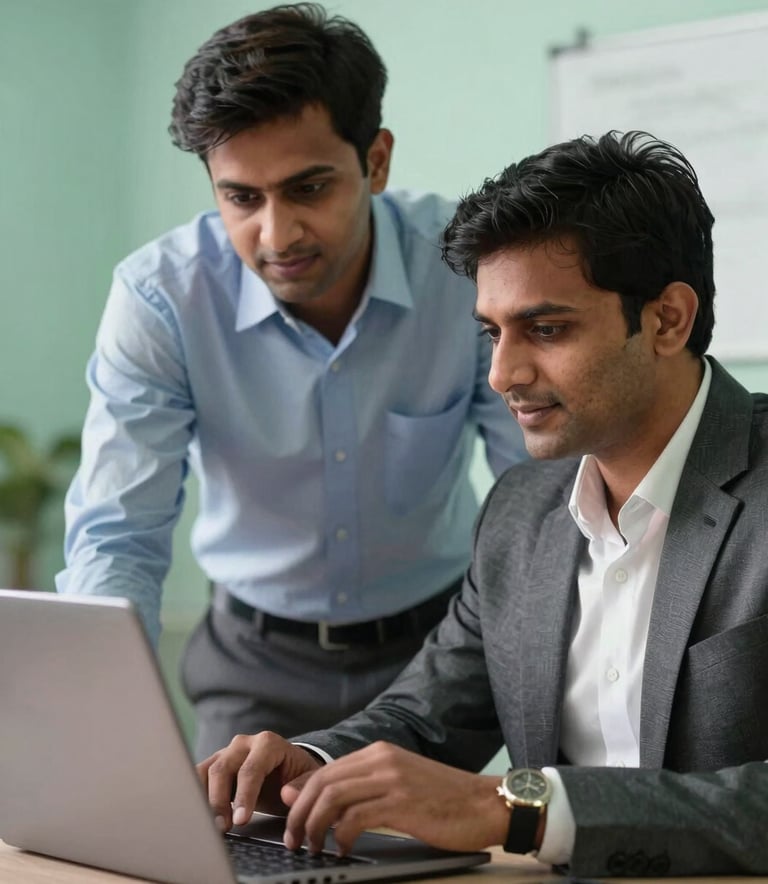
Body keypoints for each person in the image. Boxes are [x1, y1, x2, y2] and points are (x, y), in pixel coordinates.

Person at [198, 130, 768, 877]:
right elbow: (428, 718)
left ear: (667, 320)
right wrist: (309, 763)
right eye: (492, 332)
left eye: (546, 329)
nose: (502, 373)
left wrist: (517, 807)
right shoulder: (522, 509)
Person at [55, 3, 527, 760]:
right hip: (252, 666)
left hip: (435, 658)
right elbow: (120, 533)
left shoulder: (466, 273)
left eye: (309, 188)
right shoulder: (161, 299)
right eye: (242, 198)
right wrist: (102, 727)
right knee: (225, 866)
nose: (277, 236)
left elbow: (539, 498)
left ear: (375, 161)